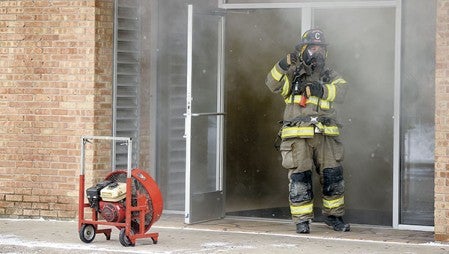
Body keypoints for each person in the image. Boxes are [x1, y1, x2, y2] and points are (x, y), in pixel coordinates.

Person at [265, 28, 350, 234]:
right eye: (312, 47)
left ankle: (334, 217)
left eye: (320, 48)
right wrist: (283, 65)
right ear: (303, 49)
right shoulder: (292, 74)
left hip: (325, 135)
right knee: (300, 177)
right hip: (298, 137)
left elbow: (344, 91)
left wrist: (323, 90)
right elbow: (271, 83)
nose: (317, 52)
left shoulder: (330, 75)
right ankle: (302, 221)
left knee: (333, 176)